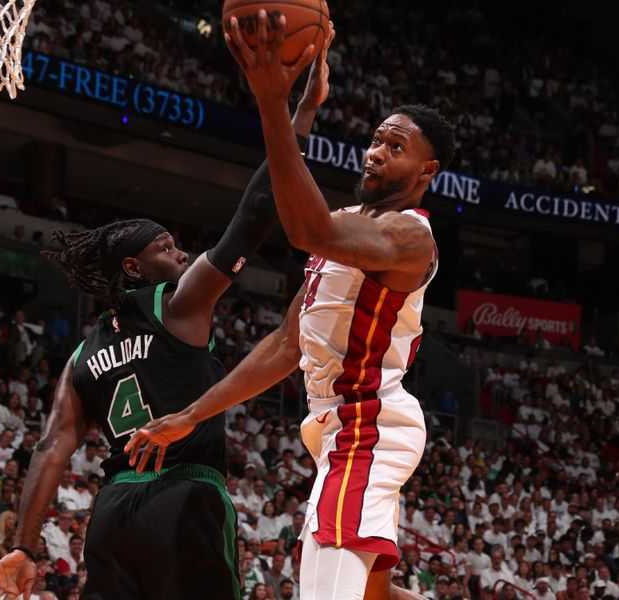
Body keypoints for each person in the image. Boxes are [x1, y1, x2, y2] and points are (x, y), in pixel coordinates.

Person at [0, 57, 331, 600]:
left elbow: (50, 448)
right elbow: (253, 216)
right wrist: (300, 114)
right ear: (134, 270)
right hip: (186, 498)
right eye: (165, 247)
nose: (182, 253)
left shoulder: (80, 355)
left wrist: (23, 544)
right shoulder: (176, 303)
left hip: (113, 517)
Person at [126, 13, 454, 600]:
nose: (376, 152)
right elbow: (285, 345)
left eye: (395, 147)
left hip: (367, 424)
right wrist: (193, 414)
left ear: (426, 171)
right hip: (336, 430)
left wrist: (273, 105)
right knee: (373, 595)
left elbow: (306, 229)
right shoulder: (350, 224)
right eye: (376, 139)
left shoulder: (409, 237)